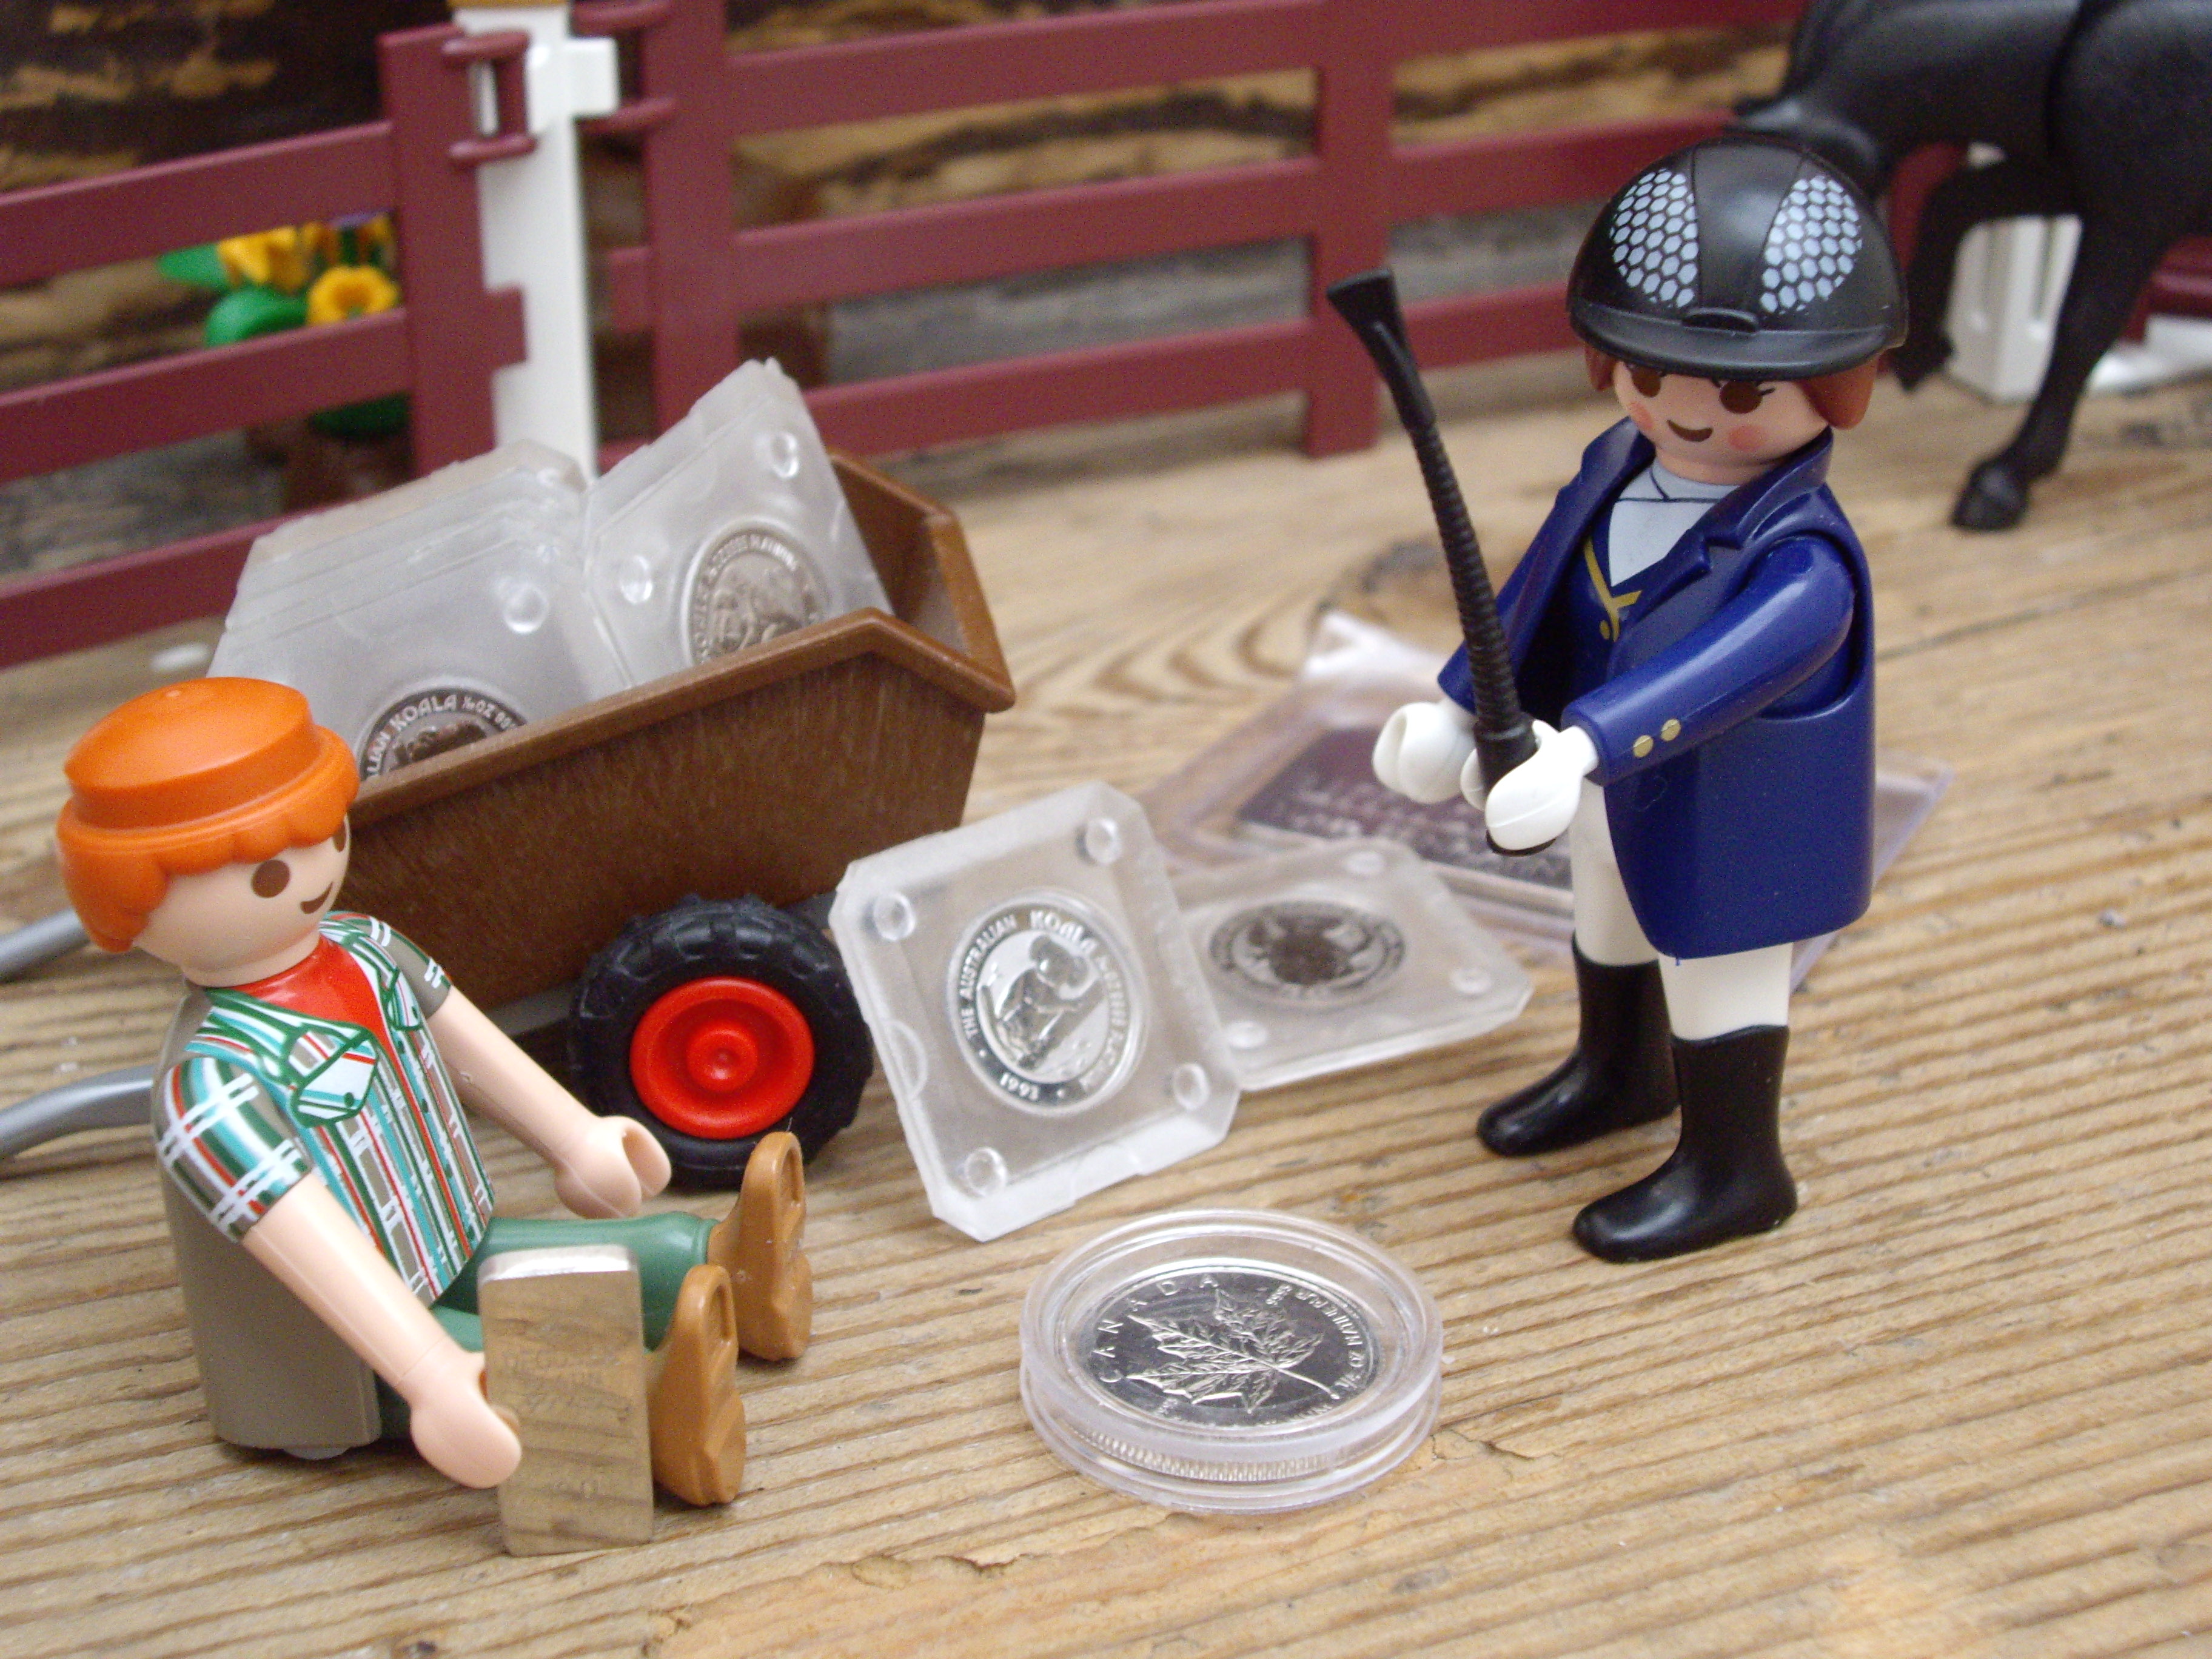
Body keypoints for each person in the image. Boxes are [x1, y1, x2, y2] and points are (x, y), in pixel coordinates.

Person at [55, 677, 809, 1501]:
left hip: (443, 1232)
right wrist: (429, 1374)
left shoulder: (367, 947)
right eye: (268, 877)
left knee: (559, 1262)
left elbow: (466, 1040)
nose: (310, 876)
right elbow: (306, 1240)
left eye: (327, 834)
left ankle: (725, 1265)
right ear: (130, 905)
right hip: (345, 1345)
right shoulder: (212, 1084)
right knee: (514, 1357)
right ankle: (654, 1402)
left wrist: (574, 1136)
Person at [1373, 133, 1905, 1261]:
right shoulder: (1614, 469)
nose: (1688, 411)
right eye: (1651, 374)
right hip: (1615, 797)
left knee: (1716, 979)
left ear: (1837, 386)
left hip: (1734, 819)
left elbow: (1716, 675)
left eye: (1745, 390)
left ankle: (1735, 1168)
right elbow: (1531, 595)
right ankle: (1620, 1073)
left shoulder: (1803, 563)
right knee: (1606, 922)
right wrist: (1461, 707)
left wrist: (1580, 749)